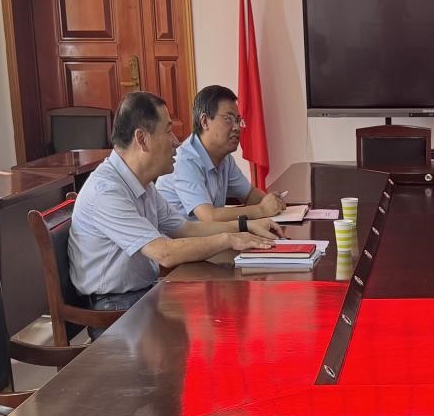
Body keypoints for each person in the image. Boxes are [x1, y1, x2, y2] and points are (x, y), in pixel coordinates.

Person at [69, 92, 281, 334]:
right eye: (168, 131)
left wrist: (243, 226)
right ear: (142, 139)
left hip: (144, 292)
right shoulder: (107, 191)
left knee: (227, 311)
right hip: (113, 307)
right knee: (218, 319)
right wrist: (229, 239)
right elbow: (164, 252)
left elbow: (186, 228)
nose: (176, 142)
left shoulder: (143, 184)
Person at [158, 85, 286, 222]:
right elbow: (209, 217)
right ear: (204, 122)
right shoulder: (185, 160)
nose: (237, 127)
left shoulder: (225, 158)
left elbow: (249, 195)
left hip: (210, 233)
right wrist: (262, 209)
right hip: (176, 235)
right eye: (228, 119)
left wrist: (273, 203)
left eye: (237, 120)